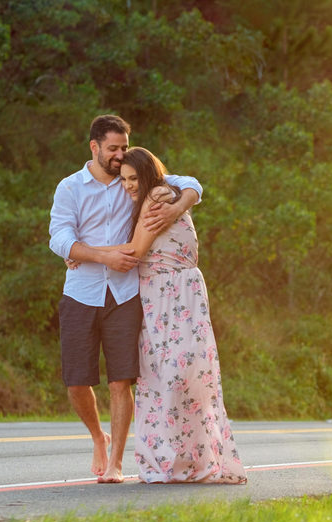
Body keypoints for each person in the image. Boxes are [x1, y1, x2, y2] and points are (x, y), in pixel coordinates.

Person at [75, 147, 247, 484]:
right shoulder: (163, 191)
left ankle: (173, 463)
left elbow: (136, 251)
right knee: (183, 376)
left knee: (168, 375)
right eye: (123, 180)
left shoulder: (156, 196)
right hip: (172, 295)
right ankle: (187, 461)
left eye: (132, 178)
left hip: (170, 296)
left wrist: (82, 252)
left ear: (148, 174)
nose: (128, 186)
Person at [49, 115, 203, 483]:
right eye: (113, 149)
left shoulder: (132, 181)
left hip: (125, 294)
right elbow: (59, 238)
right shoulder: (70, 188)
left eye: (124, 147)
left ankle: (116, 462)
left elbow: (191, 183)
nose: (120, 155)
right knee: (76, 381)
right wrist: (99, 255)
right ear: (94, 147)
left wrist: (178, 206)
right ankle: (97, 437)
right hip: (81, 293)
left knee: (121, 380)